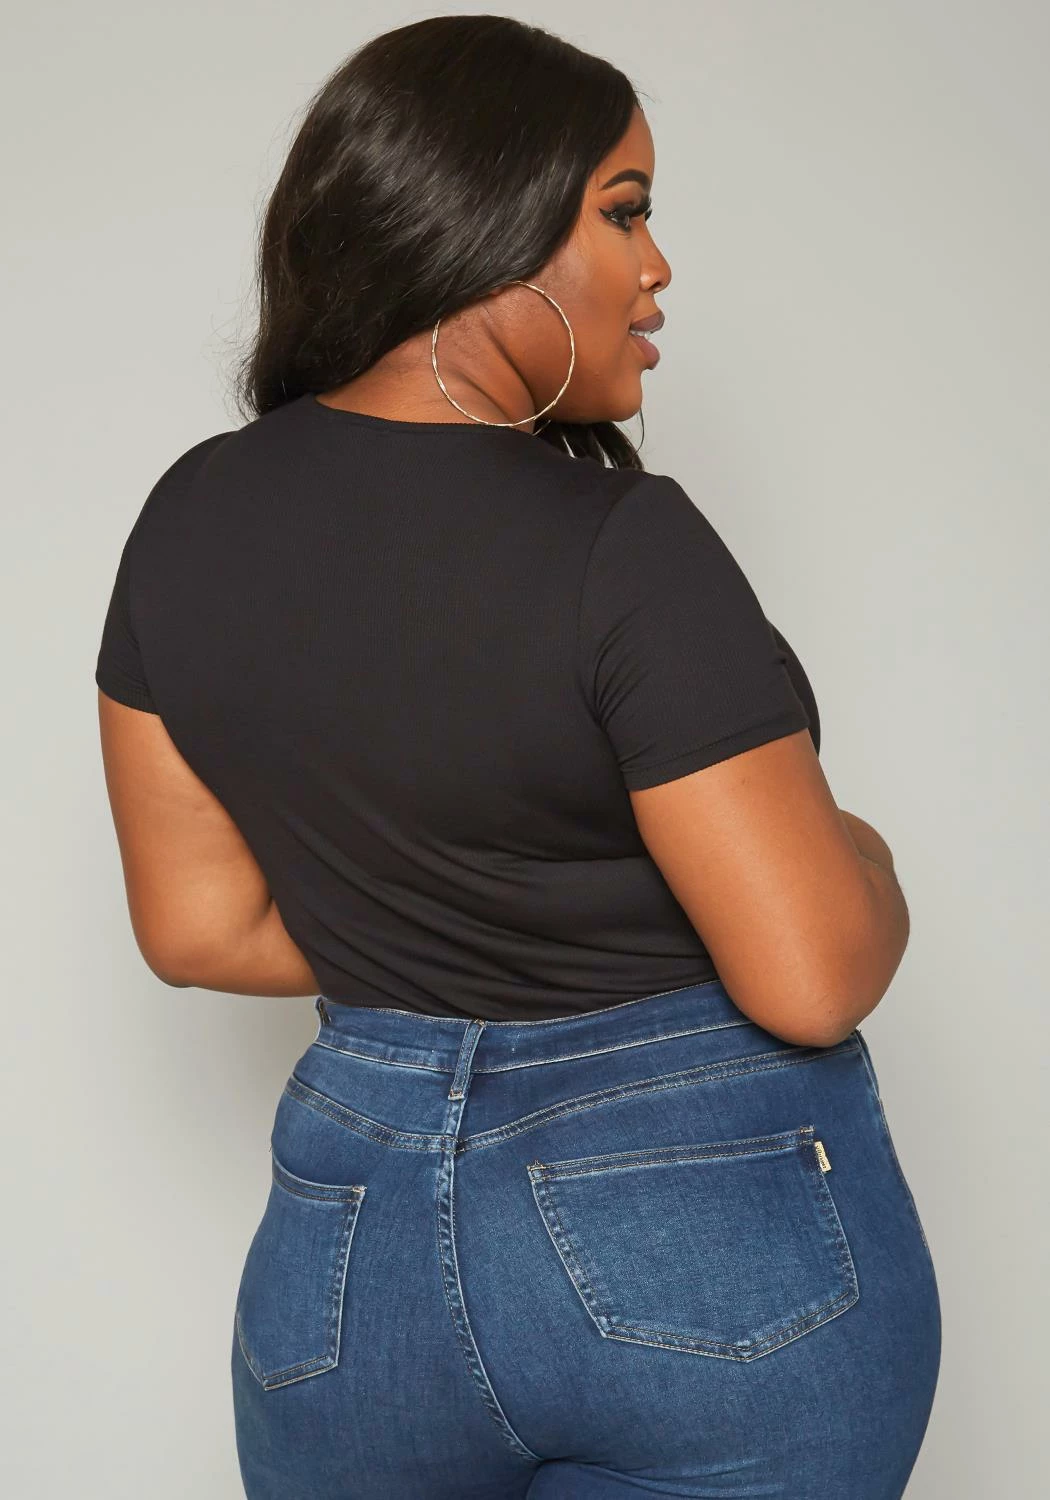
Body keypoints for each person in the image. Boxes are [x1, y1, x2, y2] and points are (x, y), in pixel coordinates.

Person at [94, 14, 940, 1498]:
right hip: (700, 1239)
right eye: (623, 211)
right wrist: (859, 853)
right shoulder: (622, 542)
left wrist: (435, 934)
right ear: (482, 223)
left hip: (351, 1260)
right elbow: (807, 974)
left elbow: (198, 929)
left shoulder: (186, 519)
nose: (657, 267)